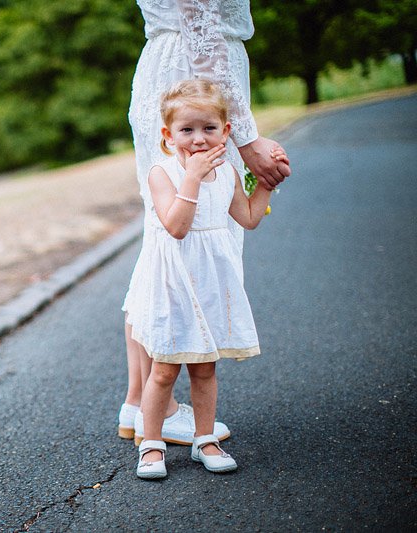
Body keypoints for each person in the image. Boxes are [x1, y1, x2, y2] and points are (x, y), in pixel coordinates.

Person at [117, 0, 291, 445]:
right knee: (182, 237)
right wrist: (247, 138)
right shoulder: (205, 127)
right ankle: (159, 403)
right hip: (193, 78)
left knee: (161, 241)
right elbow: (201, 25)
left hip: (169, 68)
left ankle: (141, 403)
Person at [133, 78, 281, 478]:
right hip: (174, 283)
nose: (198, 139)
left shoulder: (230, 173)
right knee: (164, 368)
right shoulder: (161, 174)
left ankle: (205, 439)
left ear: (225, 132)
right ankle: (151, 444)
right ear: (168, 136)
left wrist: (266, 184)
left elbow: (248, 218)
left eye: (208, 129)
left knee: (205, 367)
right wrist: (193, 177)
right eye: (187, 130)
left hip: (211, 283)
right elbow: (177, 227)